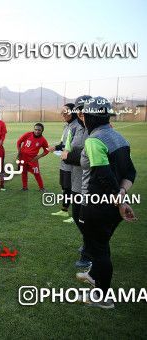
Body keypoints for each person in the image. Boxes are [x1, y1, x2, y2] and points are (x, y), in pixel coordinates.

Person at [76, 97, 136, 309]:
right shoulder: (119, 137)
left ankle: (102, 297)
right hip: (112, 205)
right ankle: (93, 276)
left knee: (99, 251)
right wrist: (121, 195)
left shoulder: (94, 140)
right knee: (101, 244)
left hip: (97, 205)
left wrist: (120, 202)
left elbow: (104, 175)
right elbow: (130, 172)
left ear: (91, 117)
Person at [60, 97, 92, 268]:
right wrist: (67, 152)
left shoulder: (92, 130)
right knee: (77, 216)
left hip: (89, 184)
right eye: (78, 109)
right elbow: (69, 148)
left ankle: (89, 252)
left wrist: (68, 155)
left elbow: (88, 157)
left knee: (85, 219)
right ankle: (90, 245)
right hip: (77, 180)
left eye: (83, 109)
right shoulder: (79, 129)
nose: (80, 113)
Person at [50, 103, 79, 221]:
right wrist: (57, 148)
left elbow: (73, 145)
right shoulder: (67, 125)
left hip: (74, 163)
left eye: (66, 111)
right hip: (64, 161)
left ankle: (77, 215)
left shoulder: (77, 126)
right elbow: (64, 143)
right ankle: (64, 210)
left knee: (75, 188)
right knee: (65, 187)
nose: (63, 114)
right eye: (62, 111)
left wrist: (56, 147)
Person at [16, 123, 50, 191]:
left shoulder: (43, 140)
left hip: (33, 159)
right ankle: (24, 187)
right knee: (24, 172)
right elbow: (19, 142)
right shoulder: (28, 134)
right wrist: (19, 152)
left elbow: (47, 150)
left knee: (36, 173)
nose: (37, 131)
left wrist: (39, 156)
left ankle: (41, 188)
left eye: (39, 130)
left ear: (42, 130)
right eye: (36, 129)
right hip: (23, 157)